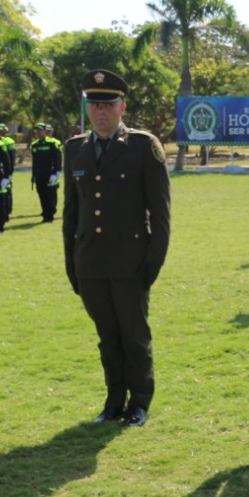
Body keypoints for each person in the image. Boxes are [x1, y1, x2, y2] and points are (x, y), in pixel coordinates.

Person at [64, 69, 171, 427]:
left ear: (122, 107)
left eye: (108, 104)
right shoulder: (75, 148)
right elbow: (71, 213)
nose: (100, 111)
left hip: (130, 261)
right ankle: (113, 401)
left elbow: (160, 211)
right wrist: (71, 264)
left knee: (134, 336)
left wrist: (152, 263)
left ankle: (139, 402)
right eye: (93, 105)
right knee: (107, 337)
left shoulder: (143, 145)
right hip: (89, 261)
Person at [30, 123, 63, 223]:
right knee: (42, 195)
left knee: (50, 194)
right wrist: (33, 175)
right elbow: (34, 162)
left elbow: (57, 158)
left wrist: (56, 172)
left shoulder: (52, 143)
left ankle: (49, 215)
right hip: (39, 174)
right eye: (37, 131)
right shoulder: (35, 145)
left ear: (45, 131)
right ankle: (45, 213)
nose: (38, 133)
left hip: (50, 173)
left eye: (40, 130)